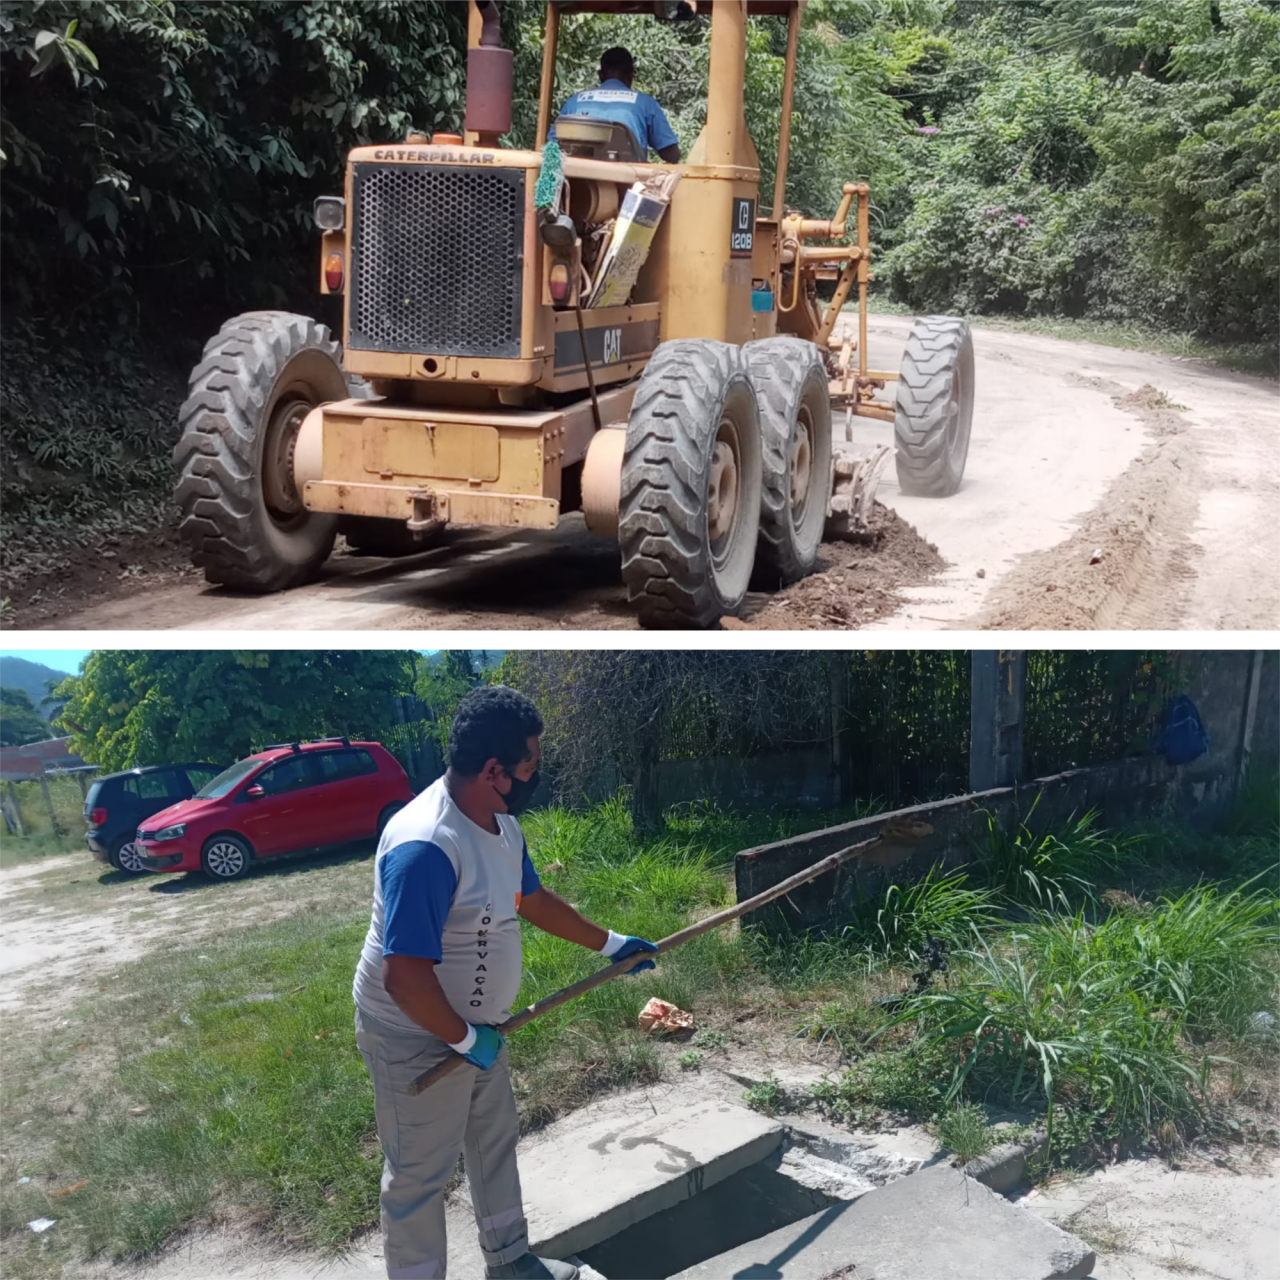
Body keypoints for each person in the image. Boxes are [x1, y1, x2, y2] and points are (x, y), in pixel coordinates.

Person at [352, 686, 659, 1280]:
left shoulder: (501, 826)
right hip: (414, 1033)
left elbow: (532, 900)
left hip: (477, 1029)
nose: (534, 776)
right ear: (494, 771)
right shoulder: (426, 846)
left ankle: (511, 1261)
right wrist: (464, 1039)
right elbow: (405, 979)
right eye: (530, 765)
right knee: (419, 1175)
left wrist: (611, 944)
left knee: (493, 1144)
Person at [555, 46, 681, 163]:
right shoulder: (646, 104)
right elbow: (672, 155)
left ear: (600, 75)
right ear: (631, 75)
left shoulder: (574, 103)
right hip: (630, 179)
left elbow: (552, 145)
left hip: (579, 178)